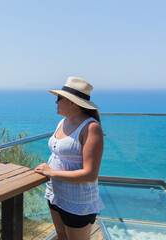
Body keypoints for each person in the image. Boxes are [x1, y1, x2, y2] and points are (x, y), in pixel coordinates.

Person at [34, 77, 104, 240]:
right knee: (61, 237)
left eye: (59, 98)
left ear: (72, 102)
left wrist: (51, 172)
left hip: (77, 201)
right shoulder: (62, 122)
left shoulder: (91, 128)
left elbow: (90, 174)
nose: (56, 102)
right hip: (55, 194)